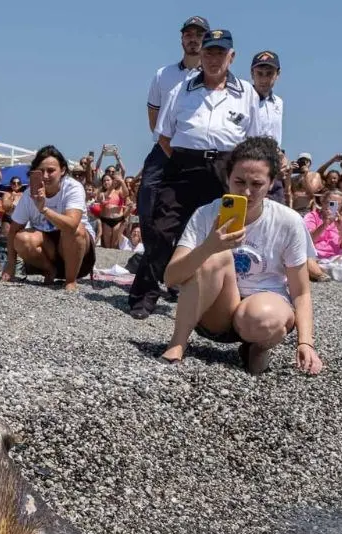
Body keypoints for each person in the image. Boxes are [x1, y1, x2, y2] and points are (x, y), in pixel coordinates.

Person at [135, 28, 278, 320]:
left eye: (220, 53)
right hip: (184, 165)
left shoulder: (247, 94)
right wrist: (187, 160)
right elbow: (163, 135)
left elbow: (253, 141)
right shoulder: (181, 90)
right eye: (209, 52)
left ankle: (215, 295)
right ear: (200, 55)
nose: (214, 59)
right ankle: (145, 295)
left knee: (223, 233)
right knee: (163, 229)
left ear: (232, 56)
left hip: (225, 170)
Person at [160, 137, 322, 375]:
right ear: (227, 179)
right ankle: (177, 343)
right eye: (239, 181)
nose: (246, 192)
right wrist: (209, 247)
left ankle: (256, 348)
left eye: (257, 184)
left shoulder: (288, 222)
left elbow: (301, 291)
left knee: (264, 318)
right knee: (218, 257)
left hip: (261, 311)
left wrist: (306, 342)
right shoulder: (206, 214)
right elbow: (170, 277)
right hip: (214, 312)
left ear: (271, 183)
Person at [127, 14, 210, 318]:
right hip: (163, 149)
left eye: (198, 35)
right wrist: (164, 139)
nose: (193, 39)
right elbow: (154, 115)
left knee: (188, 218)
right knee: (147, 204)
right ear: (181, 39)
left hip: (193, 154)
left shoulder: (213, 76)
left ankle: (174, 275)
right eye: (188, 34)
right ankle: (160, 266)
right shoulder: (163, 74)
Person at [0, 145, 95, 291]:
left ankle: (70, 280)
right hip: (47, 249)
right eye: (41, 171)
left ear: (62, 170)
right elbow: (13, 231)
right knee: (21, 238)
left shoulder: (72, 188)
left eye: (51, 171)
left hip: (79, 254)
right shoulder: (28, 195)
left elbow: (71, 225)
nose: (45, 176)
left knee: (76, 231)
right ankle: (49, 269)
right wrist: (10, 265)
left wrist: (44, 209)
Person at [249, 51, 285, 203]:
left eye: (269, 73)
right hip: (250, 164)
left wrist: (282, 156)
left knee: (276, 216)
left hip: (272, 165)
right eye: (260, 73)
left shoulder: (278, 102)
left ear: (277, 74)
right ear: (252, 73)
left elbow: (275, 135)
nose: (264, 79)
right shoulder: (243, 99)